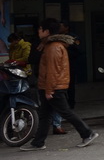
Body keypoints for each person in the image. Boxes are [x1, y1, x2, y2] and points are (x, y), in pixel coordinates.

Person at [20, 18, 99, 151]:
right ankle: (38, 143)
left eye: (40, 29)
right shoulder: (48, 45)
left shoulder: (54, 47)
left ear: (47, 31)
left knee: (66, 112)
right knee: (45, 115)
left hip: (53, 87)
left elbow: (52, 70)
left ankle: (87, 133)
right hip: (48, 86)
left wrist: (49, 90)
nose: (38, 31)